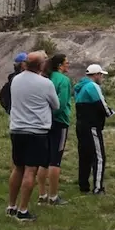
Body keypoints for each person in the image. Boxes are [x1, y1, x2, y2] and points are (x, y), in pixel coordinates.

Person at [7, 51, 59, 222]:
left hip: (17, 129)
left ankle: (11, 206)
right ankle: (23, 211)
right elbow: (55, 105)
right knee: (31, 170)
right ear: (41, 65)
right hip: (36, 131)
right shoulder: (45, 83)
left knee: (18, 168)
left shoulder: (16, 79)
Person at [37, 53, 73, 206]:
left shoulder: (44, 77)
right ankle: (53, 196)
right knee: (55, 160)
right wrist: (53, 114)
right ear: (60, 65)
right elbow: (62, 103)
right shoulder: (63, 80)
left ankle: (42, 194)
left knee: (43, 160)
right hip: (59, 121)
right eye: (66, 62)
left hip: (43, 122)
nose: (68, 65)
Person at [74, 63, 114, 195]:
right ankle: (98, 188)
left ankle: (83, 185)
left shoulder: (80, 87)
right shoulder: (93, 86)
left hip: (81, 125)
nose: (101, 78)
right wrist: (110, 113)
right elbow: (102, 104)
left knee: (84, 156)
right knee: (99, 157)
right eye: (101, 75)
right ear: (96, 75)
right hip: (92, 126)